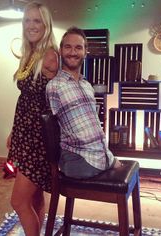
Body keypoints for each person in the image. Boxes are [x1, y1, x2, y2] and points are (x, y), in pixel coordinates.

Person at [6, 2, 58, 236]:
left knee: (18, 201)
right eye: (27, 20)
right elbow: (27, 101)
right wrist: (13, 132)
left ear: (46, 25)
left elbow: (56, 101)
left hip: (38, 141)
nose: (31, 25)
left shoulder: (49, 56)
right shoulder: (30, 54)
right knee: (35, 196)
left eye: (37, 20)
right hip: (24, 134)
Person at [46, 27, 122, 179]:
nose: (73, 52)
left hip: (99, 153)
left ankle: (107, 159)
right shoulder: (54, 87)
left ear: (85, 52)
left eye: (78, 48)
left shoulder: (87, 85)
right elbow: (52, 129)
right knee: (122, 171)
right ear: (60, 50)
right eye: (68, 47)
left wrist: (108, 156)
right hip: (78, 160)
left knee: (126, 170)